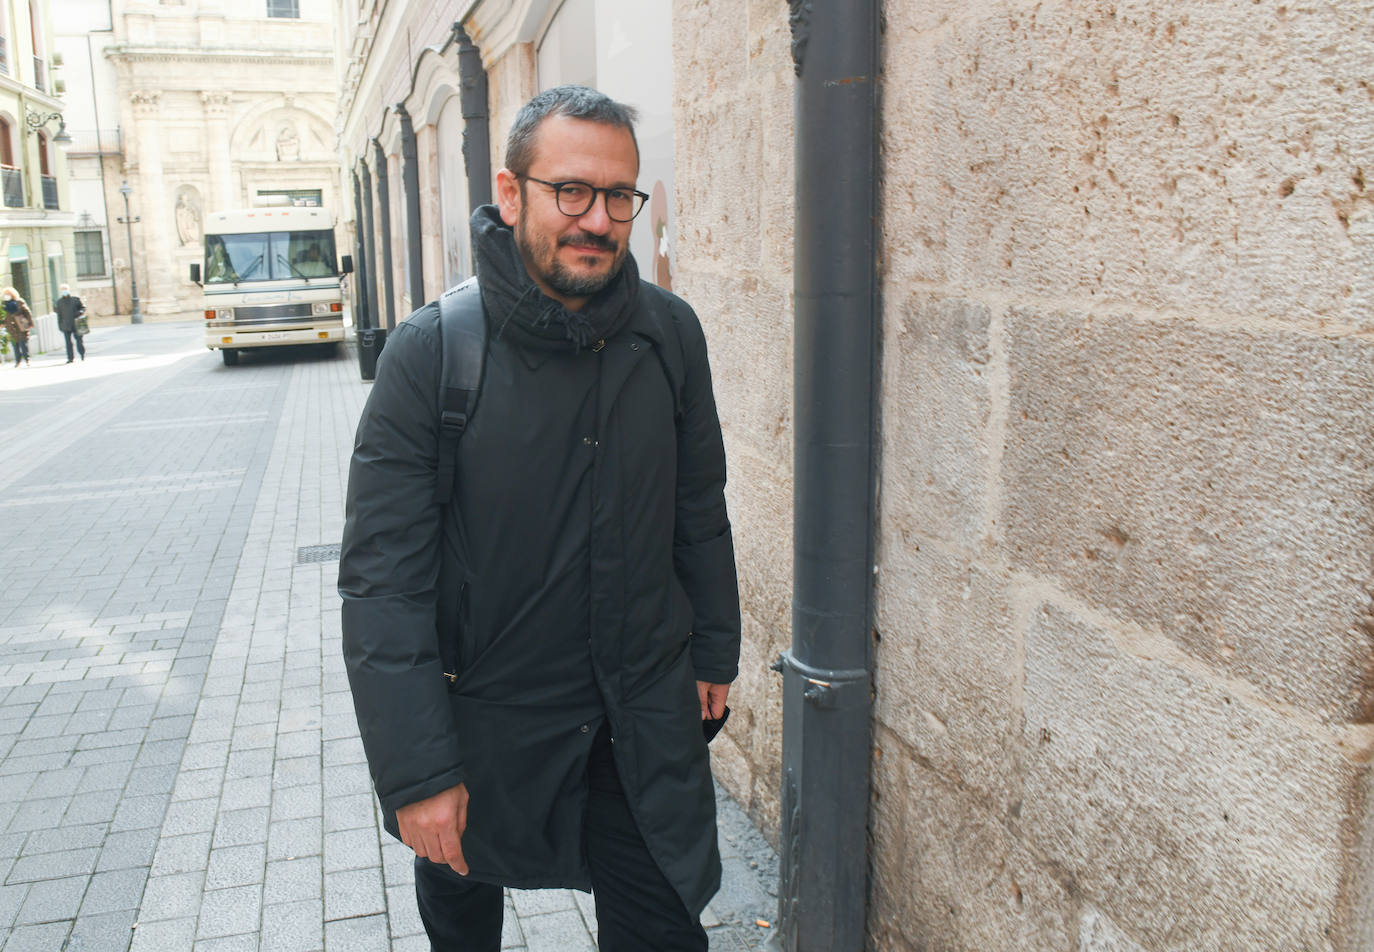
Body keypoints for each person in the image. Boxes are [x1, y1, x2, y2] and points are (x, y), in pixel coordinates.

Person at [339, 85, 740, 952]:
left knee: (665, 925)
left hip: (637, 714)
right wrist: (418, 770)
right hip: (488, 716)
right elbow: (383, 580)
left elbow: (697, 506)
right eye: (572, 191)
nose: (598, 219)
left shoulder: (670, 335)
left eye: (618, 196)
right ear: (512, 192)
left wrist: (713, 647)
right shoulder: (433, 352)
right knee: (461, 907)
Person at [54, 283, 87, 363]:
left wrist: (79, 312)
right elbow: (59, 315)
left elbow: (83, 308)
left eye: (65, 289)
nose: (64, 291)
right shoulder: (59, 302)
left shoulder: (75, 299)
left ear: (68, 290)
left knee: (79, 340)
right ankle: (70, 358)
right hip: (66, 325)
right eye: (63, 290)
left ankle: (82, 354)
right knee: (68, 343)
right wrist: (60, 325)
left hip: (76, 323)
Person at [2, 287, 34, 367]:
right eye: (5, 294)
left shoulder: (19, 302)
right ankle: (18, 361)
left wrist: (30, 323)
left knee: (23, 344)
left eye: (8, 294)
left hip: (21, 326)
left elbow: (27, 312)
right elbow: (3, 316)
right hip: (11, 328)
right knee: (15, 345)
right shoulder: (4, 305)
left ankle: (27, 359)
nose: (7, 296)